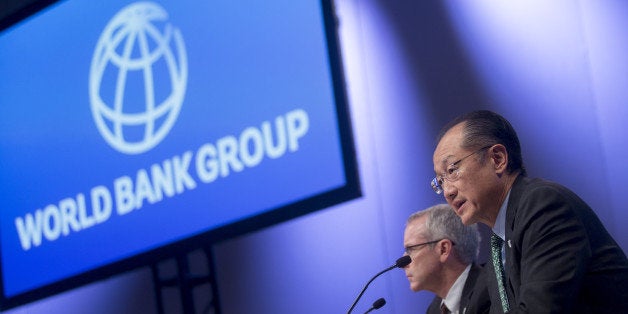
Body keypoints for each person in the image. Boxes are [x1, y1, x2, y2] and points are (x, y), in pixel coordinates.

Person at [431, 110, 628, 313]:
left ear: (497, 159)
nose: (448, 192)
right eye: (440, 181)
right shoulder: (499, 241)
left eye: (452, 170)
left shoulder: (544, 206)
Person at [403, 203, 490, 314]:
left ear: (443, 249)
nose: (403, 263)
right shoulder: (434, 310)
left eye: (411, 249)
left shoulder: (489, 292)